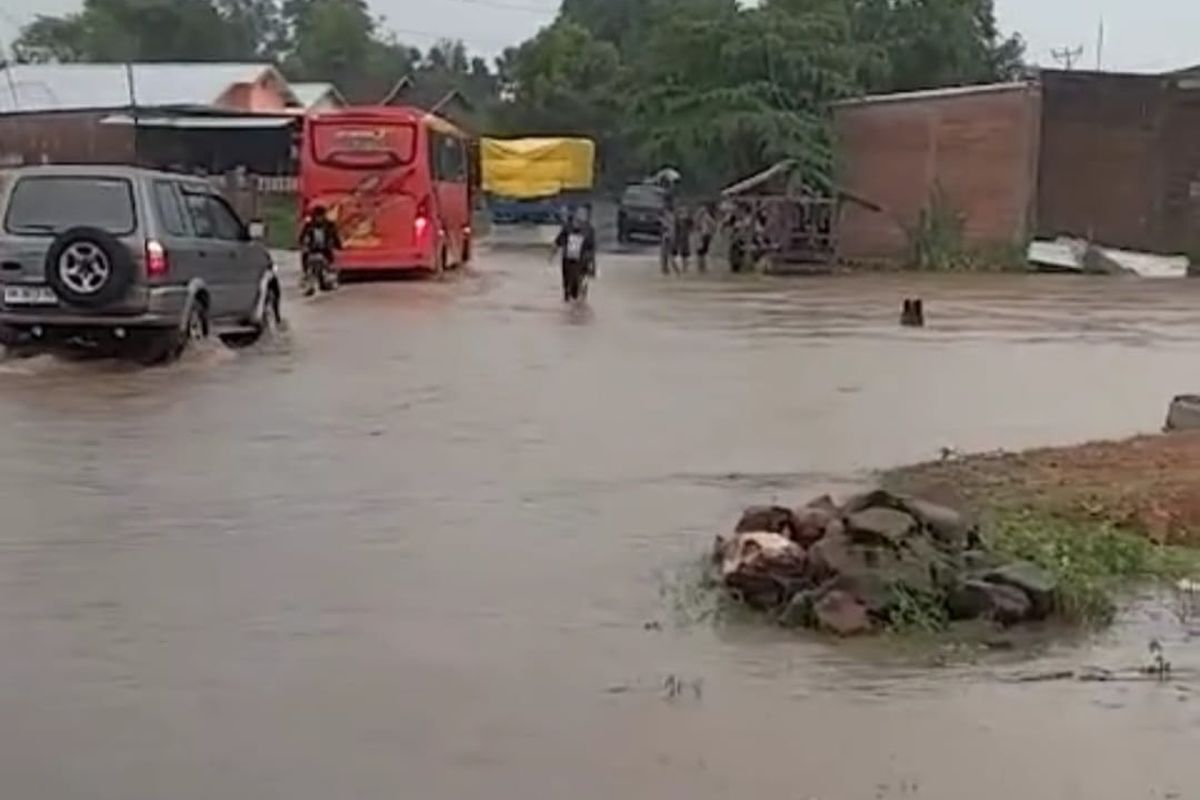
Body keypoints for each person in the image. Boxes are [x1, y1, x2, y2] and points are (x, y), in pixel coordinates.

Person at [552, 205, 596, 303]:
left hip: (582, 262)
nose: (581, 216)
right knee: (567, 287)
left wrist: (592, 267)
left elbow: (592, 249)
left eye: (584, 214)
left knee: (579, 287)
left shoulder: (589, 230)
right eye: (579, 213)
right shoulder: (567, 227)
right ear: (575, 214)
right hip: (568, 261)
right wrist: (552, 256)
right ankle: (569, 305)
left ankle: (579, 305)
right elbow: (558, 242)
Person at [298, 205, 342, 295]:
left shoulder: (330, 225)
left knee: (329, 267)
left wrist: (337, 246)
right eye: (317, 216)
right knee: (308, 266)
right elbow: (302, 238)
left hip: (325, 251)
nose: (319, 218)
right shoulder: (309, 226)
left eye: (321, 216)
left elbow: (335, 238)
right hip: (312, 251)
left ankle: (326, 281)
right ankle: (308, 283)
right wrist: (304, 245)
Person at [695, 203, 716, 273]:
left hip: (703, 235)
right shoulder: (704, 217)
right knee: (701, 252)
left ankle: (701, 267)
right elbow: (713, 224)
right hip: (703, 235)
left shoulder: (702, 217)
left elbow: (713, 224)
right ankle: (702, 267)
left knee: (701, 252)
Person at [673, 205, 694, 273]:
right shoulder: (680, 219)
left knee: (684, 254)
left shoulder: (686, 219)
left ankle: (684, 268)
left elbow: (691, 226)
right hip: (681, 237)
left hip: (684, 237)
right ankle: (683, 268)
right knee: (683, 253)